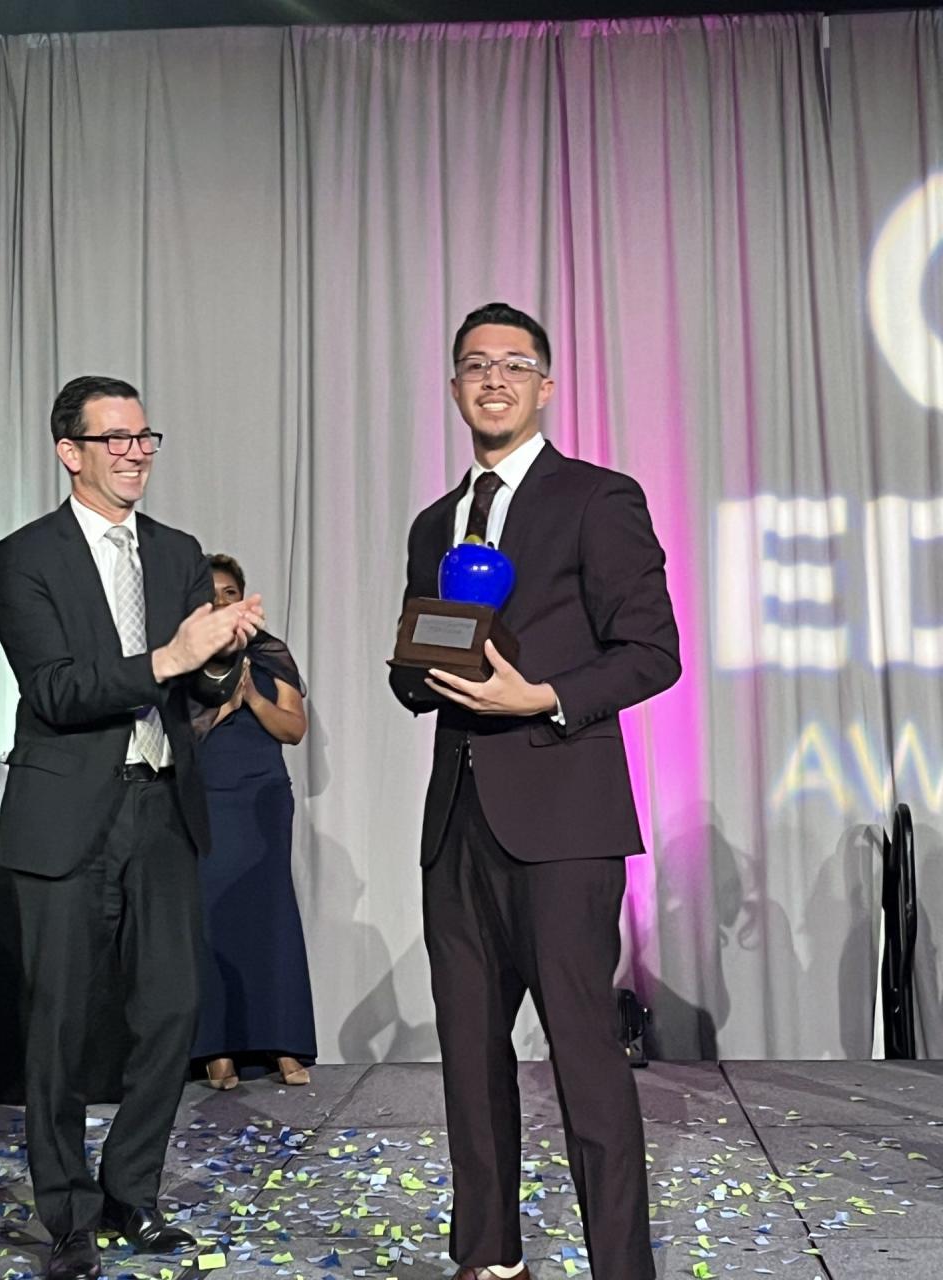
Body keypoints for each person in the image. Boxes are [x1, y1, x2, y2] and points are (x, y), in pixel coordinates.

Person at [389, 303, 680, 1280]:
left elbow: (654, 651)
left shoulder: (599, 498)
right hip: (457, 823)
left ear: (545, 385)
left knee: (587, 1061)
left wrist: (545, 695)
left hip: (564, 820)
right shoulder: (438, 521)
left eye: (514, 363)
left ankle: (620, 1268)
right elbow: (415, 663)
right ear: (458, 384)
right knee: (473, 1068)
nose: (493, 377)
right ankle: (488, 1260)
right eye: (475, 363)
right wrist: (416, 666)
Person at [0, 376, 264, 1280]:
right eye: (115, 438)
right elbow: (59, 691)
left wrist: (224, 660)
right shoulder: (21, 557)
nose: (135, 452)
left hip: (160, 809)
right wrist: (172, 654)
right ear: (71, 452)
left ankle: (130, 1196)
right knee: (60, 1024)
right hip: (64, 816)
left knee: (171, 1010)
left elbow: (197, 690)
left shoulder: (179, 550)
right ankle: (66, 1214)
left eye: (145, 436)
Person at [191, 552, 316, 1090]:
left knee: (270, 914)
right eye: (210, 593)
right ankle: (216, 1050)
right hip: (205, 797)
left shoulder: (269, 654)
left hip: (262, 797)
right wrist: (218, 709)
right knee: (210, 918)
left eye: (228, 593)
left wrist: (251, 698)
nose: (220, 601)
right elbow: (169, 739)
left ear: (242, 600)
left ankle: (283, 1043)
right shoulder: (183, 658)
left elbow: (293, 729)